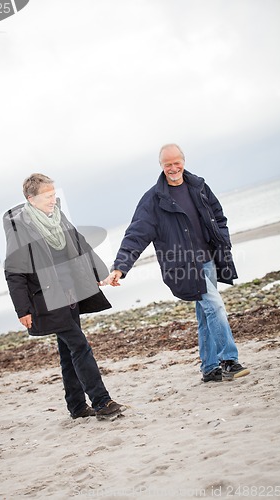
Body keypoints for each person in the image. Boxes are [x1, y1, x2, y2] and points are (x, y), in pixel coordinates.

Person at [102, 144, 250, 383]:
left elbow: (218, 216)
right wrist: (120, 267)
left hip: (208, 261)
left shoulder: (198, 186)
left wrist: (222, 239)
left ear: (183, 160)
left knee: (205, 315)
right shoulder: (153, 200)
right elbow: (136, 235)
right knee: (216, 307)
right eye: (167, 164)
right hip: (184, 268)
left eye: (176, 162)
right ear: (161, 166)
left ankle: (210, 368)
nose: (173, 168)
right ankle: (229, 360)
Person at [3, 173, 124, 418]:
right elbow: (14, 271)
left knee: (69, 352)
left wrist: (100, 274)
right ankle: (102, 402)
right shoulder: (20, 228)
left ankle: (77, 407)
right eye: (47, 195)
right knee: (79, 346)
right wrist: (22, 309)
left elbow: (80, 245)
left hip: (72, 294)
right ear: (31, 198)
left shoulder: (58, 216)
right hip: (47, 299)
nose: (53, 199)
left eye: (54, 194)